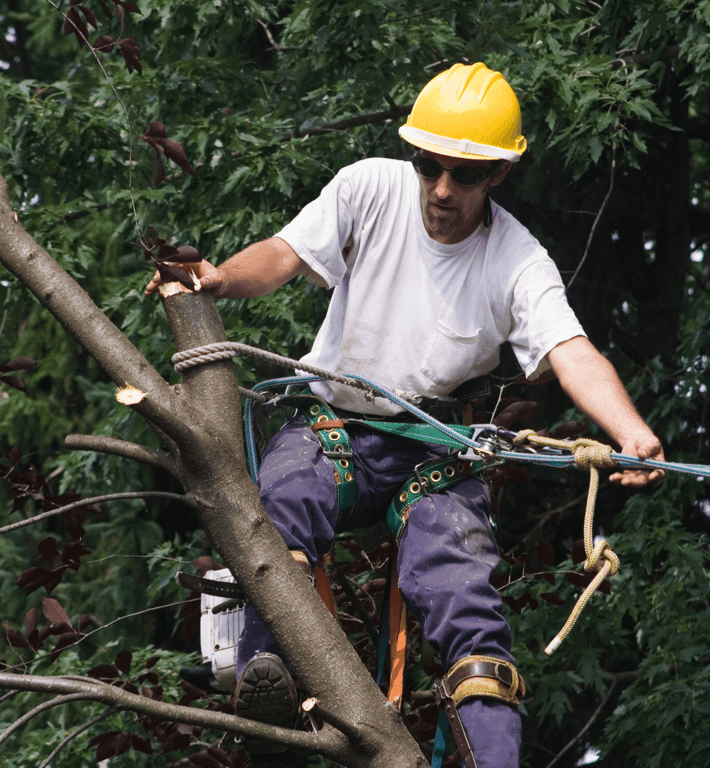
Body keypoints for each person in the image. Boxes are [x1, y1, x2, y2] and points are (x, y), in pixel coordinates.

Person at [147, 62, 664, 768]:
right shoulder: (370, 189)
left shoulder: (517, 260)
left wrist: (628, 432)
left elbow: (571, 352)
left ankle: (493, 758)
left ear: (499, 176)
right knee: (285, 498)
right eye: (429, 165)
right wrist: (216, 278)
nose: (442, 189)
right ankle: (268, 684)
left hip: (436, 451)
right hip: (334, 426)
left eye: (465, 173)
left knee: (464, 595)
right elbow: (284, 255)